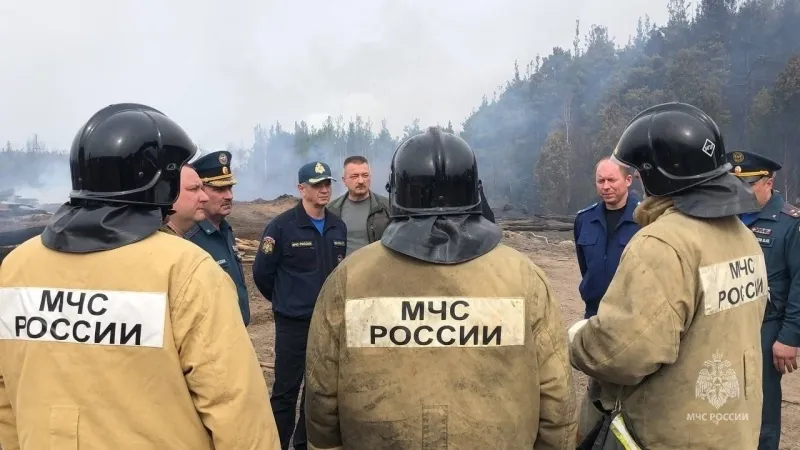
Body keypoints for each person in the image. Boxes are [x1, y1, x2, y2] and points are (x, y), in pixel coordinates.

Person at [0, 103, 279, 449]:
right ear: (160, 182)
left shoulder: (16, 268)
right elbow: (237, 412)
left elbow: (6, 404)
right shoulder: (185, 271)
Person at [304, 126, 577, 449]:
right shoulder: (523, 276)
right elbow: (557, 395)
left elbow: (321, 395)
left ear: (396, 193)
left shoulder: (349, 278)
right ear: (476, 192)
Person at [569, 102, 769, 449]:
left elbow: (625, 355)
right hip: (731, 429)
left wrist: (579, 339)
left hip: (674, 432)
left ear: (655, 174)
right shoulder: (743, 237)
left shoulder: (663, 242)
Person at [252, 161, 347, 450]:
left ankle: (304, 444)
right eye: (317, 184)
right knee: (286, 390)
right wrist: (285, 301)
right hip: (293, 323)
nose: (324, 189)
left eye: (327, 183)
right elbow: (262, 273)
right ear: (301, 188)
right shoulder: (281, 227)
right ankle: (277, 443)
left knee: (317, 391)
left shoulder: (337, 226)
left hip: (326, 324)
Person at [726, 150, 800, 450]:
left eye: (749, 185)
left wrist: (789, 337)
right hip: (725, 326)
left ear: (769, 183)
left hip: (766, 329)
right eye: (736, 185)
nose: (741, 192)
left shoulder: (789, 223)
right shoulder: (725, 218)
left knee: (762, 409)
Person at [185, 150, 250, 326]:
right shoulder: (189, 238)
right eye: (219, 189)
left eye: (230, 187)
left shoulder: (226, 230)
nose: (229, 195)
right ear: (200, 191)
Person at [574, 157, 641, 319]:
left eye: (611, 180)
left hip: (632, 316)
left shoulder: (644, 219)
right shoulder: (584, 219)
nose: (606, 186)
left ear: (628, 180)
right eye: (600, 181)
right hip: (593, 314)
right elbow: (585, 266)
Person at [326, 155, 390, 256]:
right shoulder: (331, 210)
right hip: (343, 270)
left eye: (365, 175)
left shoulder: (387, 208)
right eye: (354, 176)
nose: (361, 181)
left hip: (378, 270)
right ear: (344, 180)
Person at [161, 164, 209, 236]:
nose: (205, 197)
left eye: (202, 189)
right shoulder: (158, 245)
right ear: (166, 194)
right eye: (194, 189)